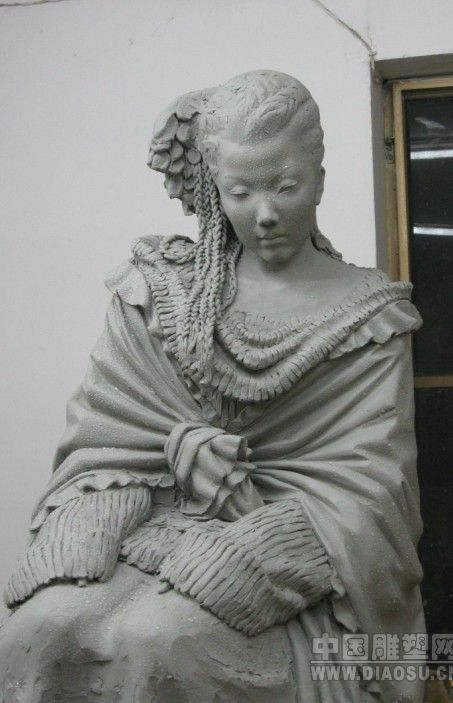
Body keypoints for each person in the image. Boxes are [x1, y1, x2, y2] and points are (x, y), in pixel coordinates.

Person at [0, 70, 426, 703]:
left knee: (159, 640)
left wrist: (251, 512)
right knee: (39, 629)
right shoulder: (163, 291)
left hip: (280, 550)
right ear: (213, 188)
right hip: (152, 523)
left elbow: (375, 496)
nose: (265, 214)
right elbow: (104, 438)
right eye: (240, 192)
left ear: (320, 179)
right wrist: (175, 453)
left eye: (286, 187)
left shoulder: (368, 317)